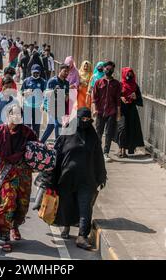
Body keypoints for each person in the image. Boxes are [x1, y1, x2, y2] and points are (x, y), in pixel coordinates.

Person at [53, 107, 107, 249]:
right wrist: (51, 175)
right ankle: (66, 227)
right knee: (67, 204)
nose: (85, 122)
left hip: (87, 178)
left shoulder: (92, 135)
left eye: (87, 120)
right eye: (82, 119)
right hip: (67, 178)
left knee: (85, 207)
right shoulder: (67, 132)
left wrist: (101, 176)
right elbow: (57, 154)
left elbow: (98, 157)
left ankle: (82, 236)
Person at [0, 105, 38, 252]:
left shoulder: (27, 132)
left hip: (24, 173)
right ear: (8, 116)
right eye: (13, 115)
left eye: (19, 115)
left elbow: (36, 149)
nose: (16, 118)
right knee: (8, 202)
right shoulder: (0, 132)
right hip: (7, 172)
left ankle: (14, 226)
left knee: (22, 205)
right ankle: (4, 235)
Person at [92, 61, 121, 162]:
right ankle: (97, 152)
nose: (109, 70)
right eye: (107, 69)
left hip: (111, 111)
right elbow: (95, 97)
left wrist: (118, 113)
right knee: (98, 132)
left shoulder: (117, 84)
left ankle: (106, 153)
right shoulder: (98, 82)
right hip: (100, 111)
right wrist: (95, 109)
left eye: (111, 69)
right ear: (104, 69)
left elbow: (118, 100)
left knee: (109, 133)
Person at [116, 67, 144, 158]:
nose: (129, 76)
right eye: (127, 74)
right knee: (122, 128)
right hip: (122, 110)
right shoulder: (120, 85)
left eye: (131, 74)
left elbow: (140, 101)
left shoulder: (135, 86)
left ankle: (125, 150)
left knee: (129, 129)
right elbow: (115, 97)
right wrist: (121, 98)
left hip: (132, 111)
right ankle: (120, 148)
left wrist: (135, 97)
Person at [41, 64, 70, 144]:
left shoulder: (67, 83)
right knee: (57, 125)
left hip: (61, 108)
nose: (66, 73)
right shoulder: (52, 81)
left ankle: (41, 142)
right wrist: (53, 91)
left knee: (50, 127)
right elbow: (46, 93)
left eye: (68, 72)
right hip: (52, 107)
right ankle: (58, 145)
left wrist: (66, 96)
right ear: (60, 71)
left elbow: (66, 97)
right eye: (65, 71)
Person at [21, 65, 47, 138]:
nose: (36, 74)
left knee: (36, 126)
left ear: (40, 73)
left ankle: (35, 141)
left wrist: (43, 105)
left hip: (38, 107)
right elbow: (21, 92)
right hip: (27, 106)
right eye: (34, 72)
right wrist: (25, 93)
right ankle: (25, 141)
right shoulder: (26, 81)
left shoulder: (43, 82)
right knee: (26, 125)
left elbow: (46, 94)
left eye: (37, 73)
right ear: (31, 72)